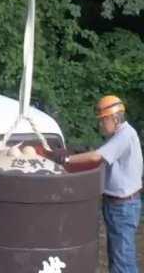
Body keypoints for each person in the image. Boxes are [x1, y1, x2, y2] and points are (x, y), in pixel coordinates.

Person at [50, 95, 143, 273]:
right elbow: (97, 155)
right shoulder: (118, 135)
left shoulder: (124, 135)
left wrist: (66, 159)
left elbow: (96, 157)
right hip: (117, 205)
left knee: (123, 260)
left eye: (103, 120)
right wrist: (74, 153)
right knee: (117, 257)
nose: (100, 124)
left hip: (123, 206)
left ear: (115, 118)